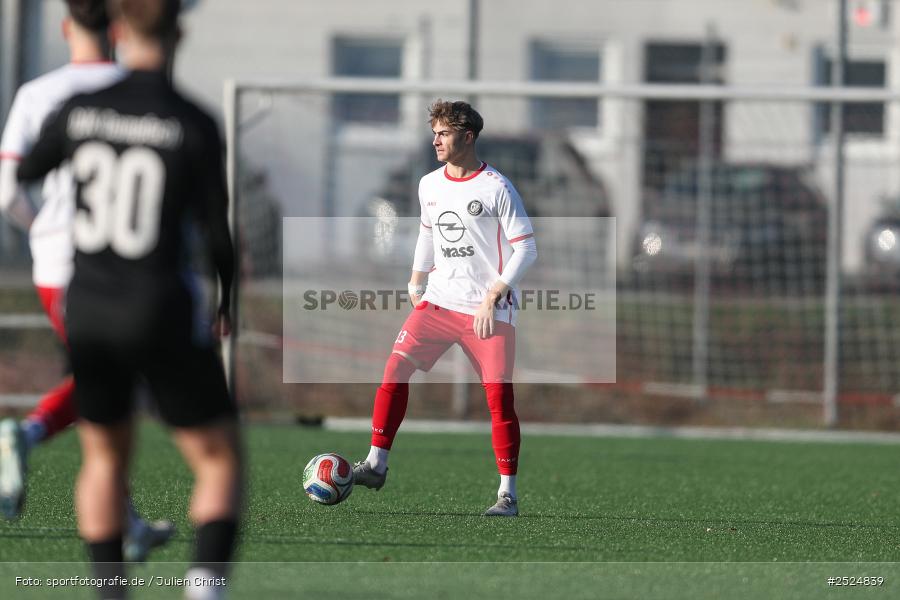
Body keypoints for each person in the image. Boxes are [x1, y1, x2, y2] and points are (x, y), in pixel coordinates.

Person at [16, 0, 242, 597]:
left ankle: (110, 591)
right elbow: (219, 235)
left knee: (104, 455)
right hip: (159, 302)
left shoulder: (81, 107)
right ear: (180, 33)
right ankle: (203, 588)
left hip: (87, 304)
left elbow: (31, 167)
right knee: (218, 458)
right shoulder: (192, 120)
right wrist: (226, 304)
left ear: (117, 32)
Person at [0, 0, 174, 561]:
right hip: (122, 264)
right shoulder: (137, 87)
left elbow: (7, 192)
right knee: (114, 385)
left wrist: (41, 232)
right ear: (119, 28)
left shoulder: (35, 93)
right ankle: (25, 434)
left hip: (54, 265)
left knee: (108, 388)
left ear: (64, 25)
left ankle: (129, 526)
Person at [353, 100, 538, 517]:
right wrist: (416, 278)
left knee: (499, 400)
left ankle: (507, 493)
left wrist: (494, 296)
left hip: (488, 311)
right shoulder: (429, 184)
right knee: (394, 369)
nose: (435, 140)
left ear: (467, 137)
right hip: (439, 301)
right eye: (434, 132)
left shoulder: (497, 188)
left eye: (444, 133)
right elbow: (427, 232)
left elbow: (527, 248)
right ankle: (376, 464)